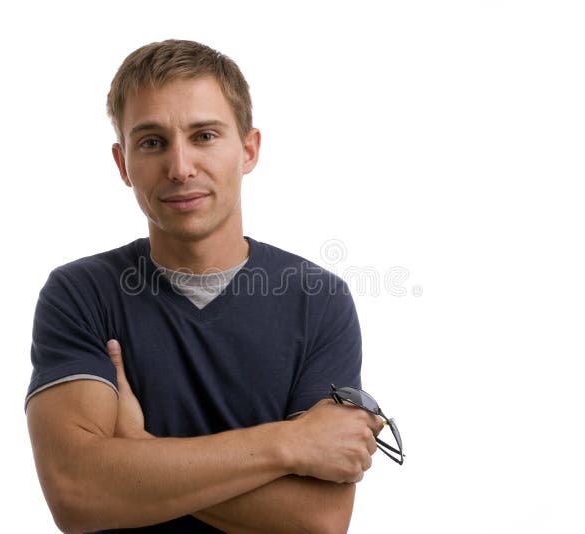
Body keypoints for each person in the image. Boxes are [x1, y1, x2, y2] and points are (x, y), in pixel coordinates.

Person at [25, 39, 383, 533]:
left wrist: (138, 449)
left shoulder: (317, 301)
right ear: (122, 163)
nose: (180, 167)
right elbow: (77, 491)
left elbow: (317, 520)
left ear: (249, 149)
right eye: (152, 142)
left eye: (205, 135)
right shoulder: (81, 295)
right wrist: (289, 444)